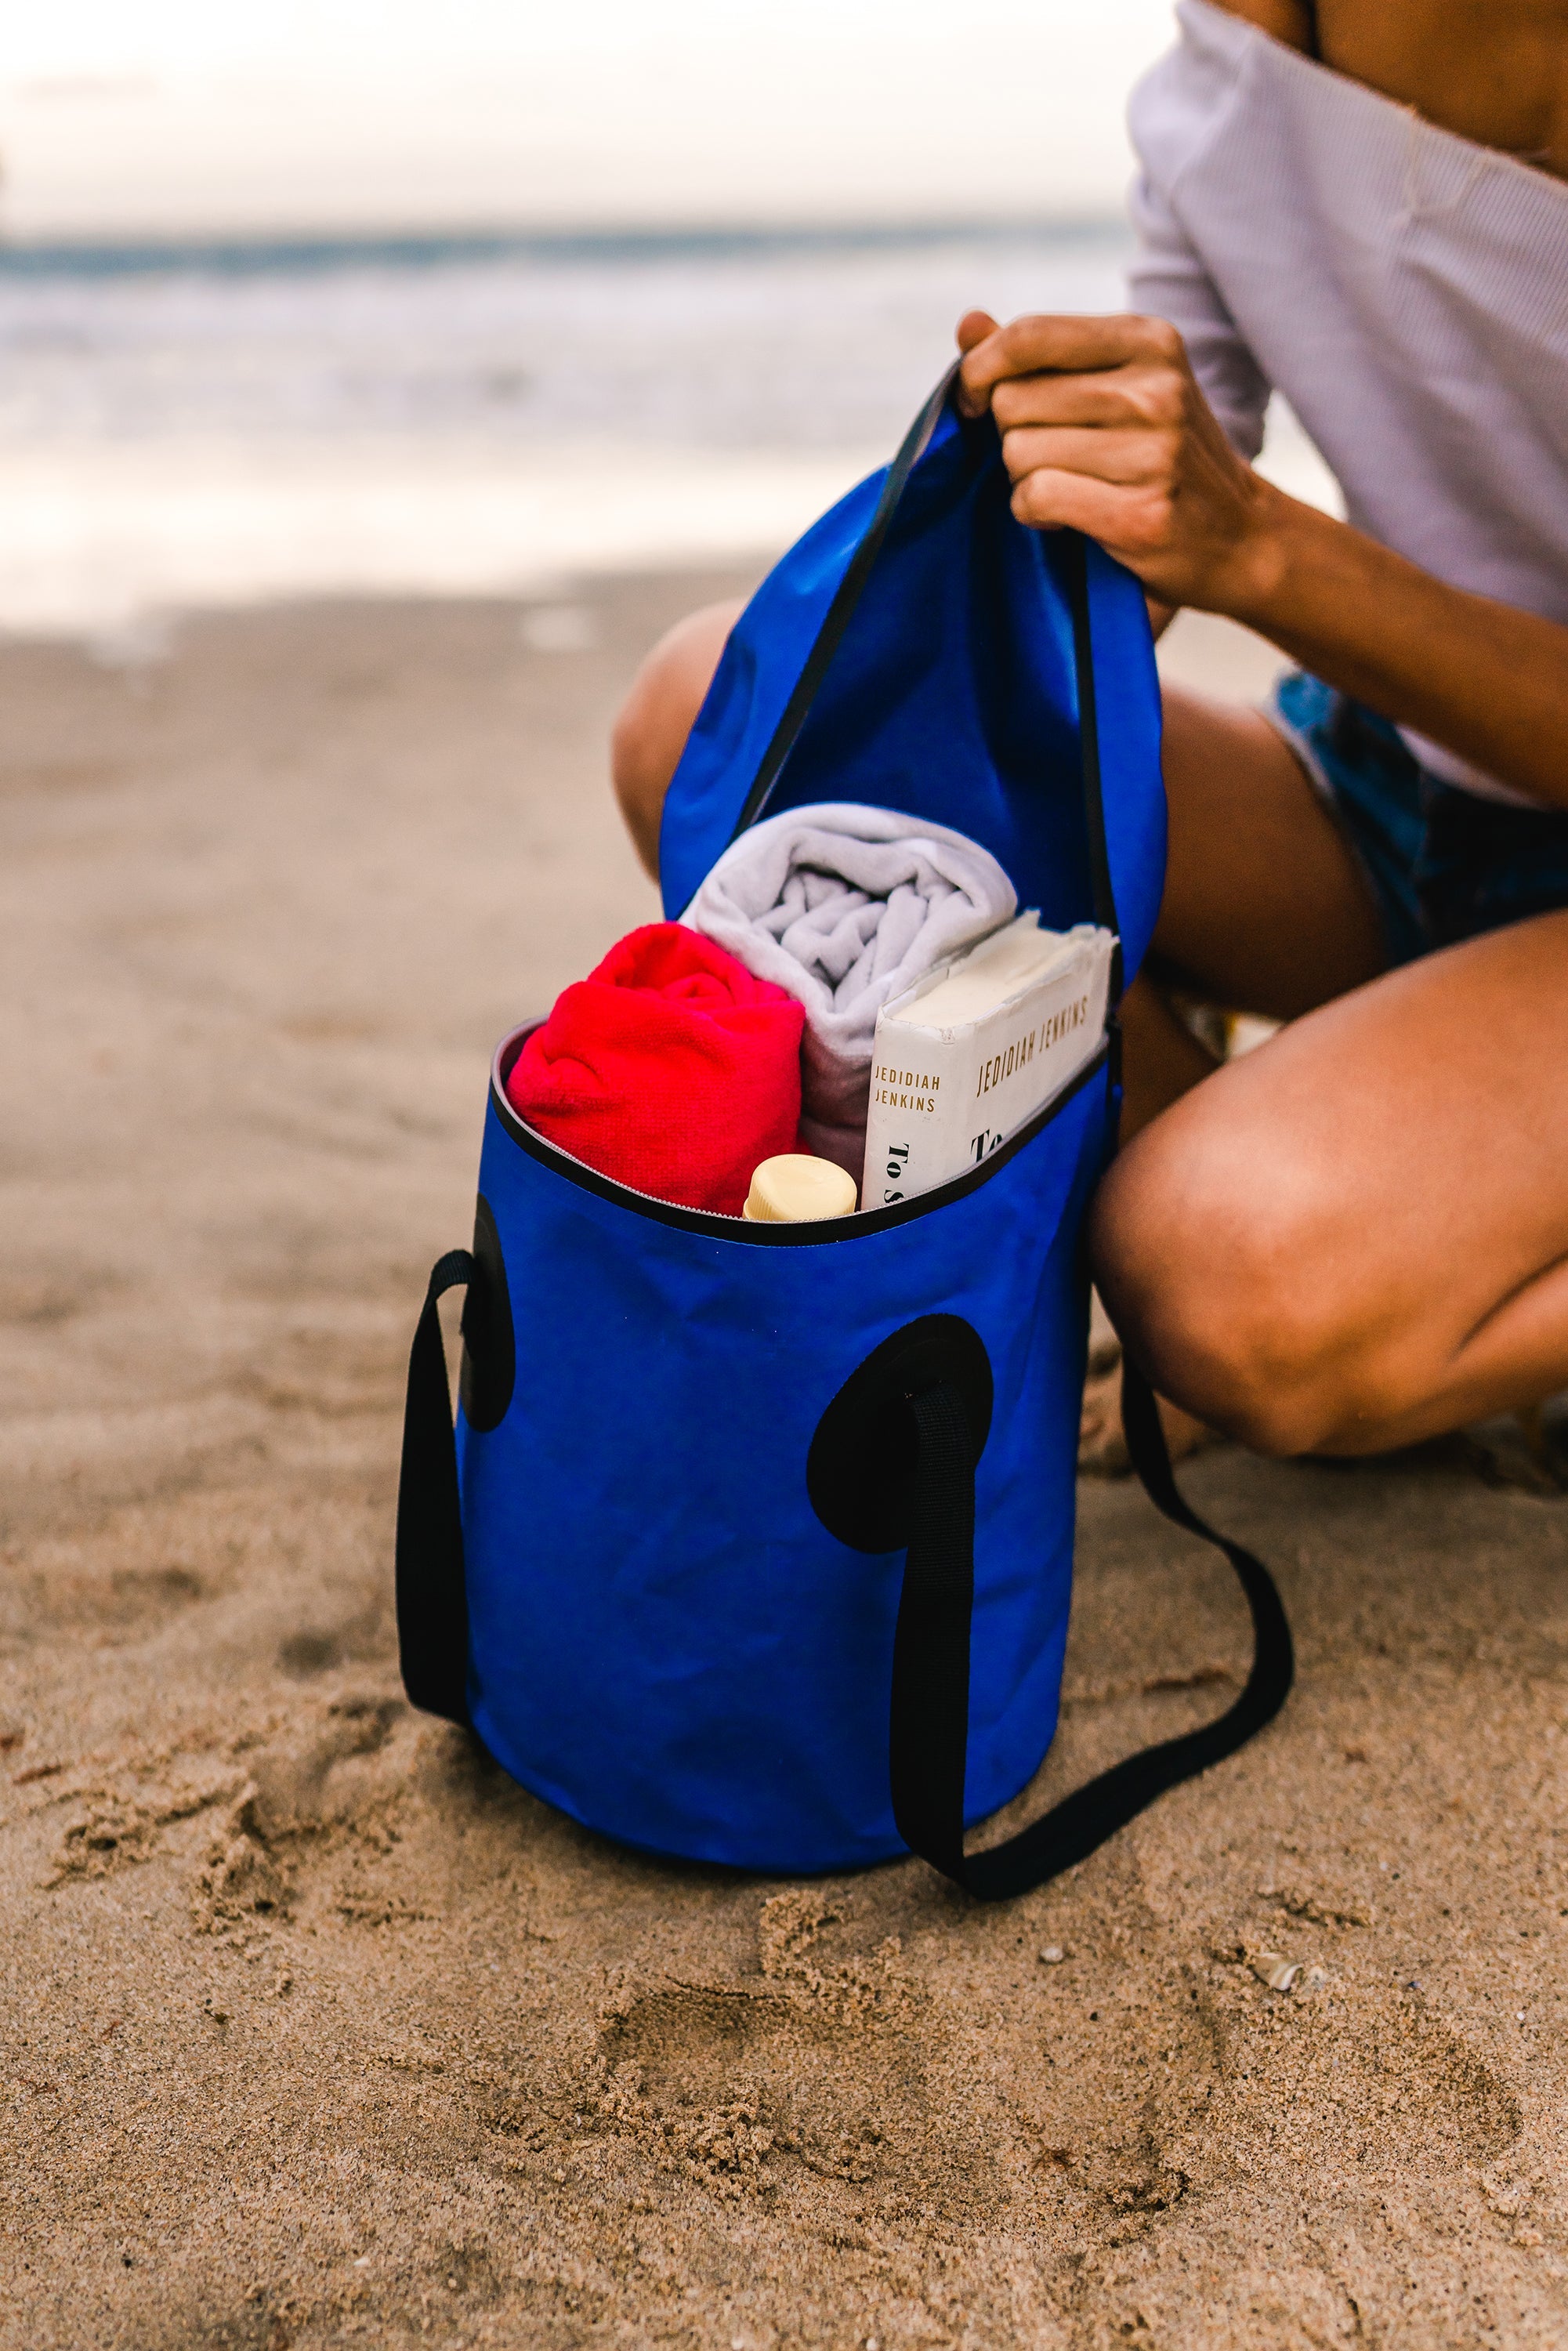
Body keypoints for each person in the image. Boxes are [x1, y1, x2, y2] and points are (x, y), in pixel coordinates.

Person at [610, 0, 1568, 1462]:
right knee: (721, 730)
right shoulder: (1209, 93)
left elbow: (1241, 537)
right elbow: (1140, 596)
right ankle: (1378, 1191)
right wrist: (1035, 517)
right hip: (1400, 792)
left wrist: (1255, 548)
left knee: (1234, 1278)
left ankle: (1379, 1252)